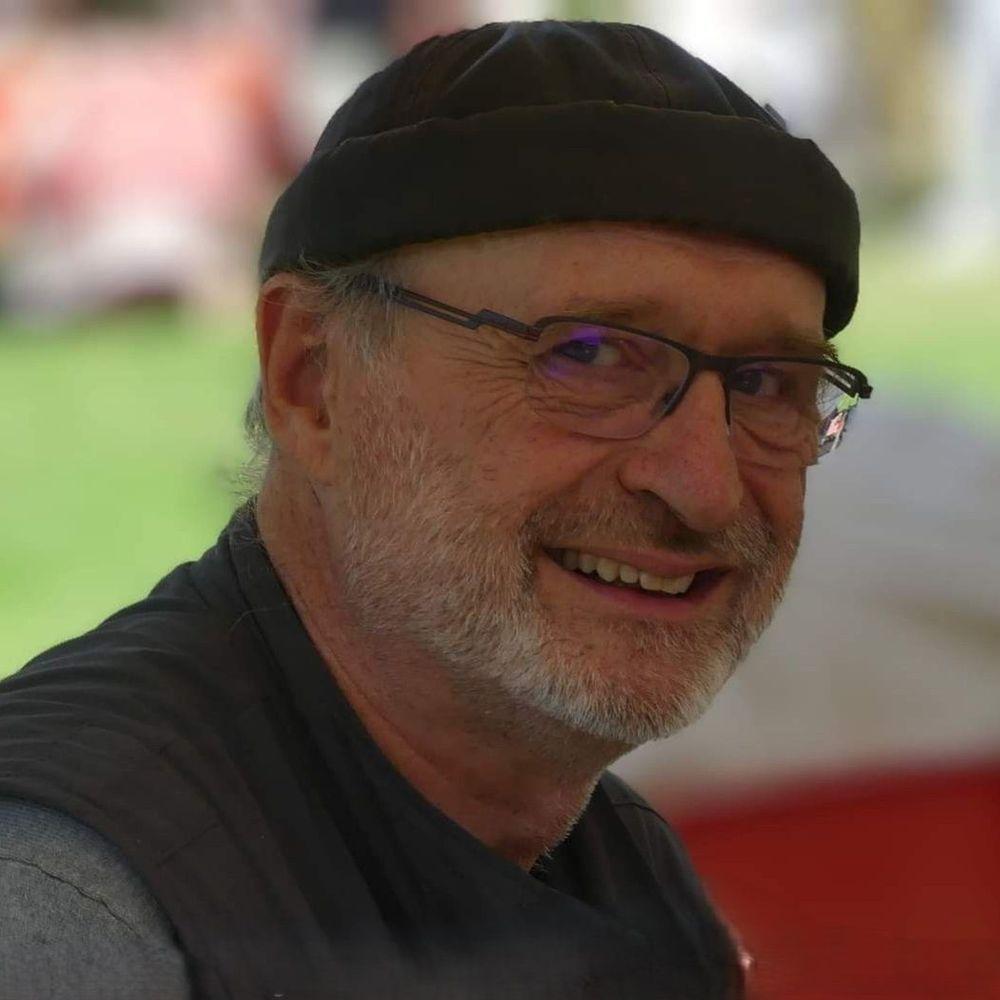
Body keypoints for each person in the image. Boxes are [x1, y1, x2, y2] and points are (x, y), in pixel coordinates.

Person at [0, 20, 870, 1000]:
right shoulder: (68, 906)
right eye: (587, 355)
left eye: (767, 382)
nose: (703, 485)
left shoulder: (622, 871)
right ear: (311, 380)